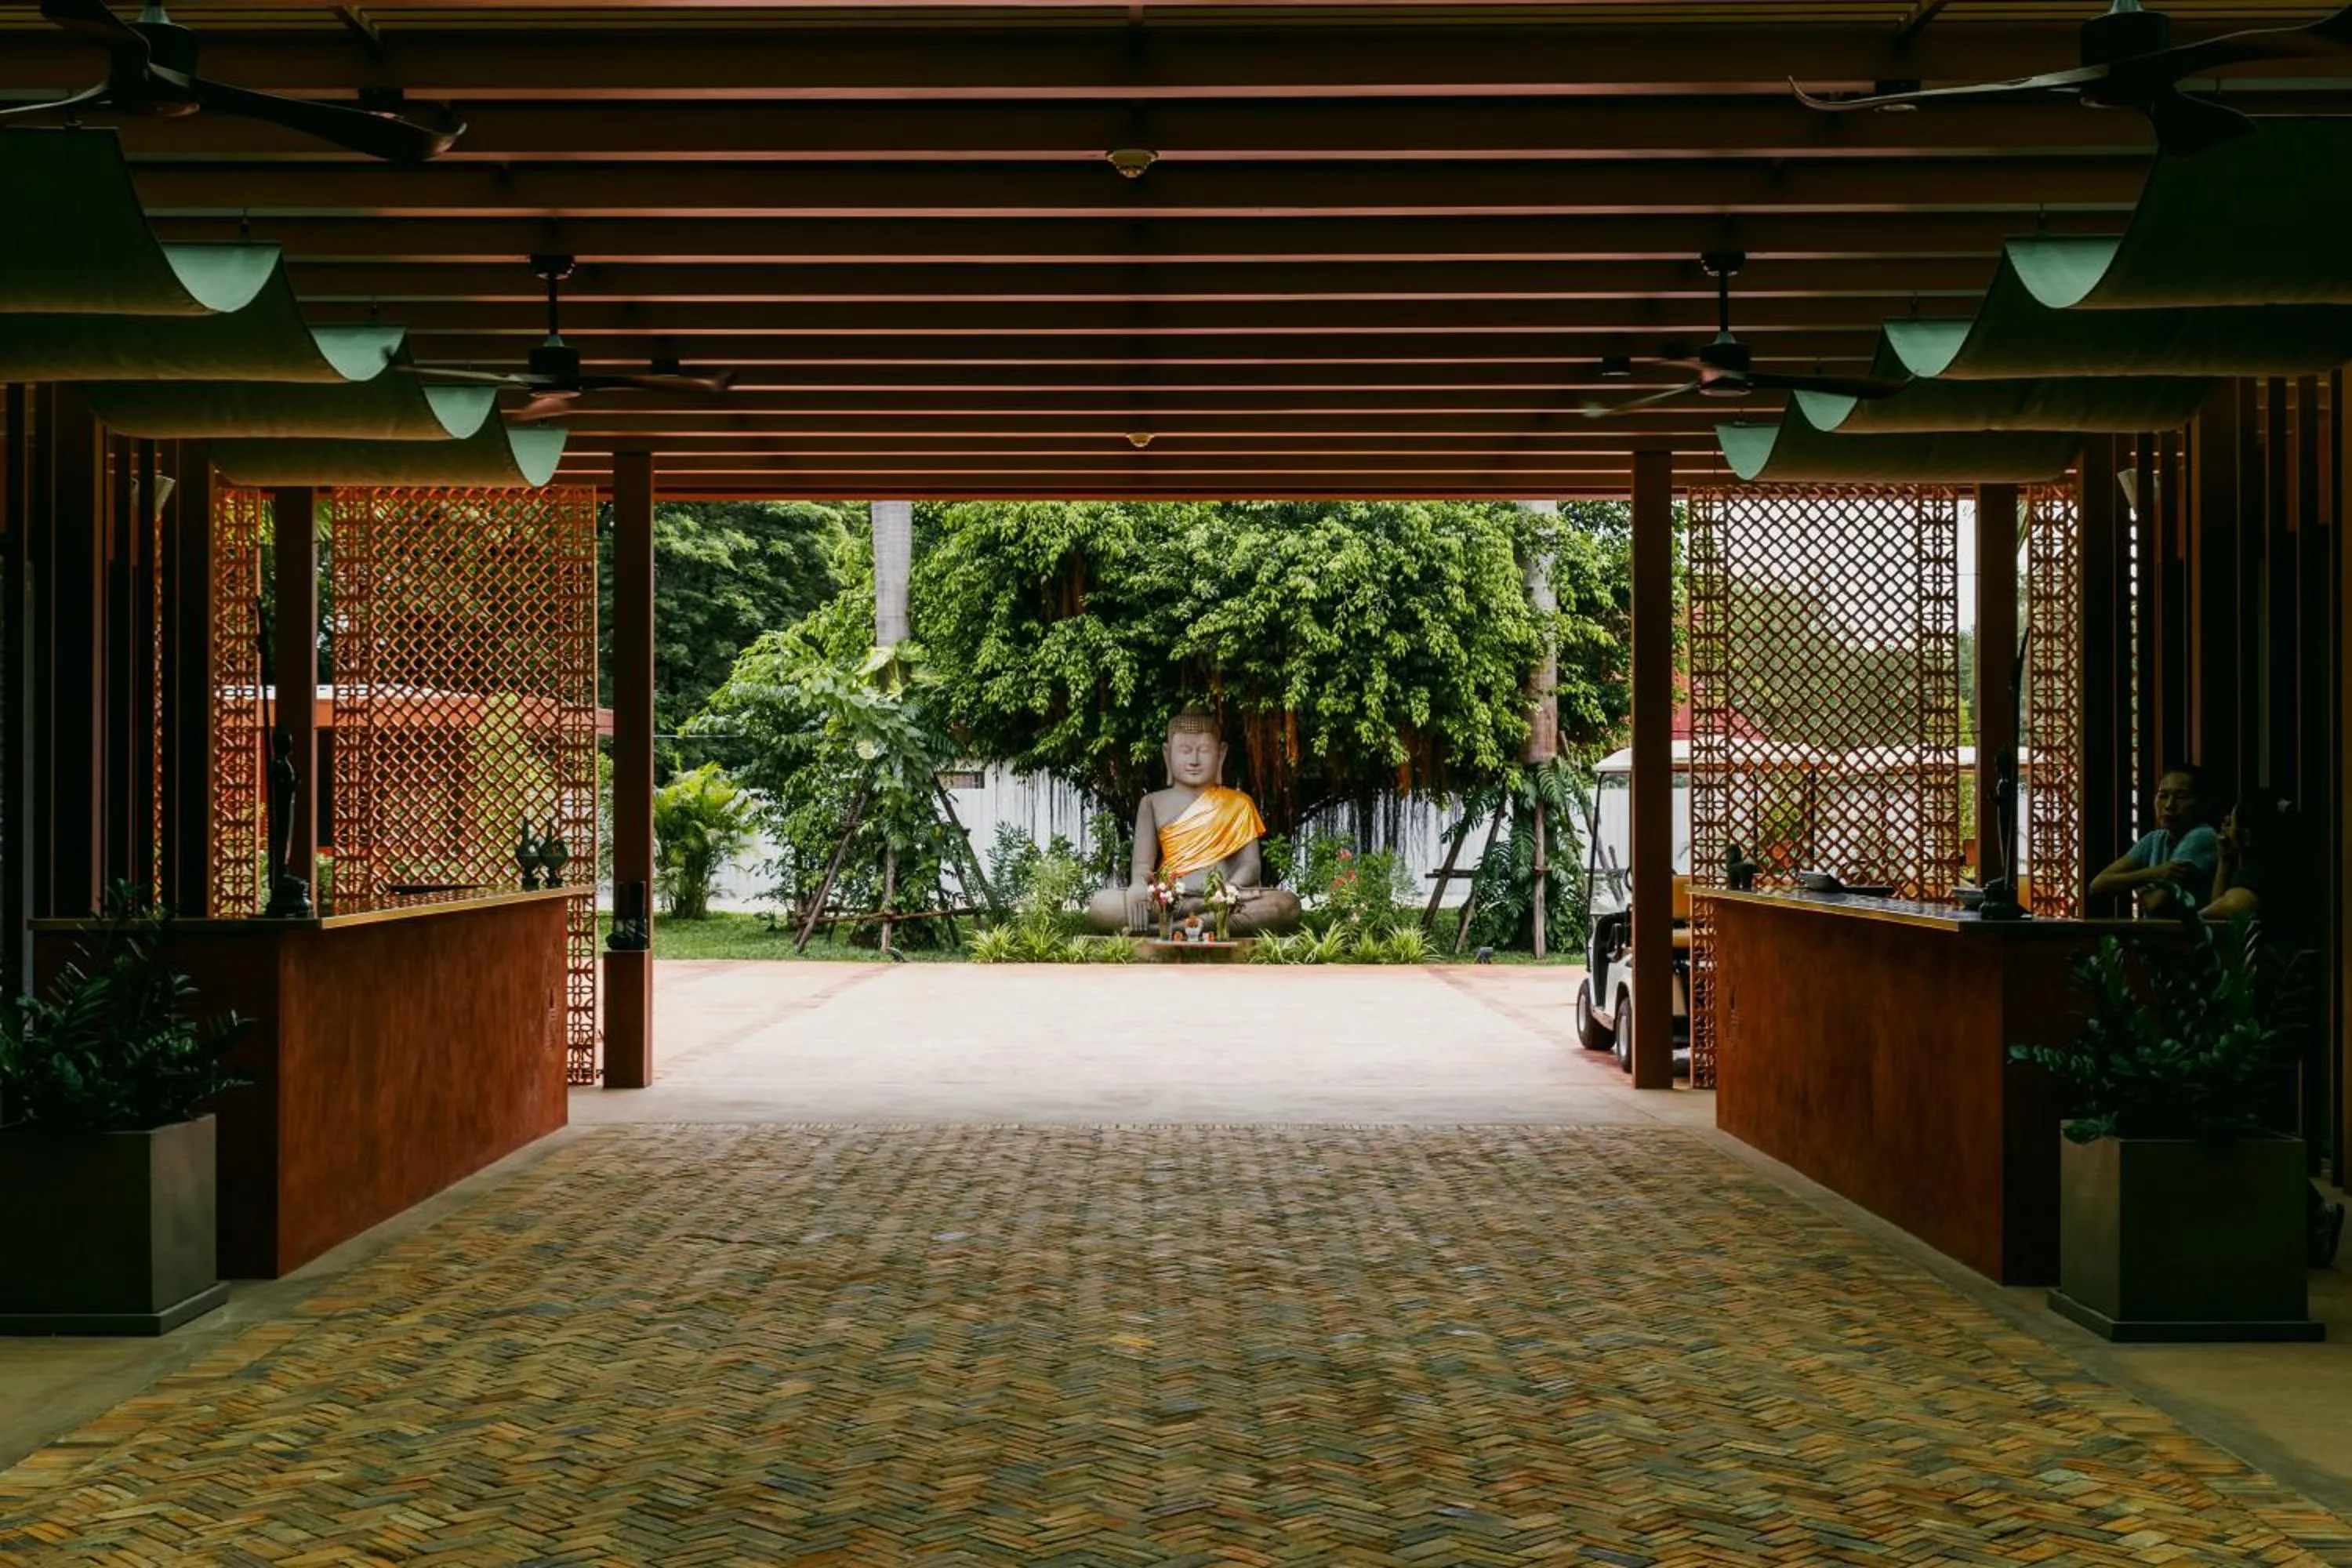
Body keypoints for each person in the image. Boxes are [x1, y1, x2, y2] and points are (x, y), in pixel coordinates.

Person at [2201, 790, 2344, 1269]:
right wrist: (2224, 861)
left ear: (2249, 832)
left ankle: (2305, 1215)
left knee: (2248, 1113)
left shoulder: (2263, 869)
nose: (2225, 828)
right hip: (2278, 1010)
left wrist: (2189, 917)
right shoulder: (2289, 864)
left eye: (2231, 822)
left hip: (2265, 1010)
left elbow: (2229, 910)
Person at [2089, 765, 2217, 916]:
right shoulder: (2155, 839)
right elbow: (2097, 885)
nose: (2169, 805)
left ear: (2204, 805)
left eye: (2182, 797)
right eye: (2163, 796)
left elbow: (2156, 904)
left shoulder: (2202, 836)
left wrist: (2135, 883)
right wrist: (2154, 873)